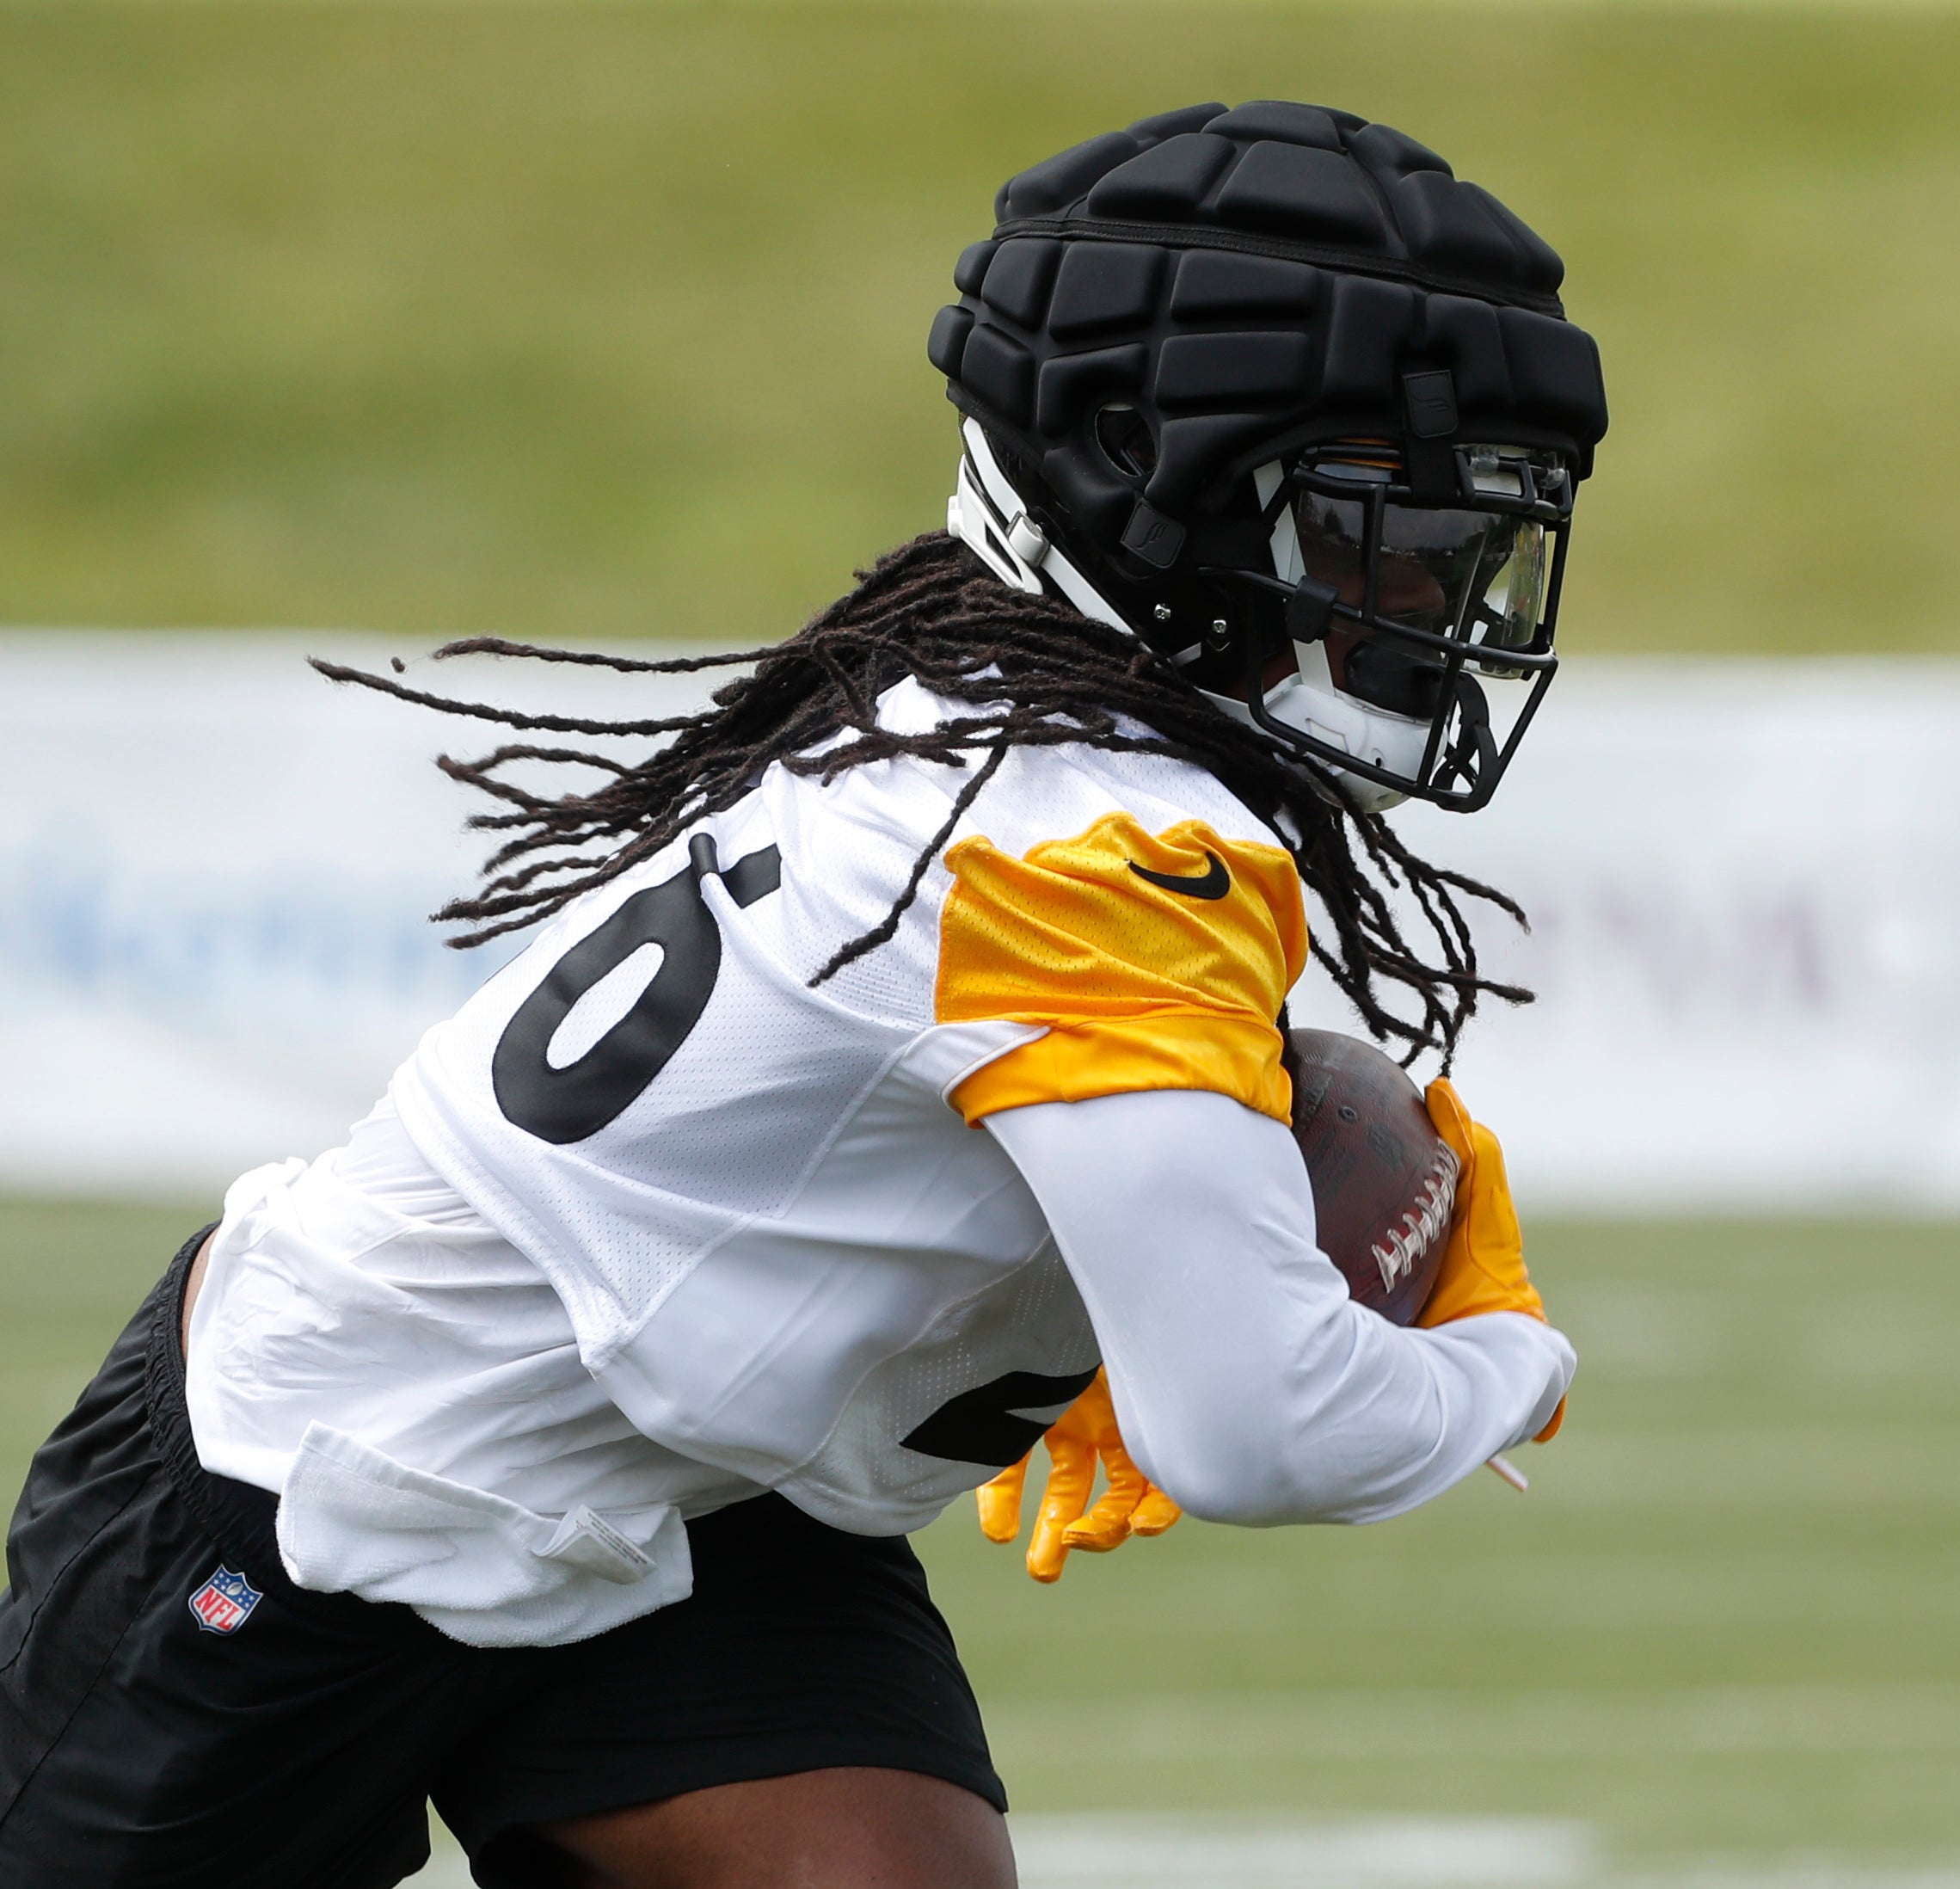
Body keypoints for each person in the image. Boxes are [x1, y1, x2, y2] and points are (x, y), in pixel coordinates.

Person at [0, 99, 1607, 1889]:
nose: (1433, 610)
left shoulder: (996, 720)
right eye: (1380, 543)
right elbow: (1259, 1425)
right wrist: (1512, 1357)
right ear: (1157, 489)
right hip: (337, 1477)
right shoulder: (1082, 848)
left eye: (1467, 554)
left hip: (702, 1488)